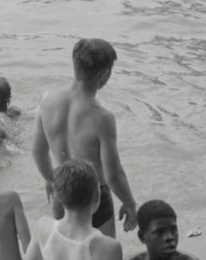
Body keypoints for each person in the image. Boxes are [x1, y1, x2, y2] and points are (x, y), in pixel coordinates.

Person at [31, 38, 138, 237]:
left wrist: (50, 179)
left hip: (63, 194)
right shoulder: (102, 118)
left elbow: (37, 151)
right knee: (101, 258)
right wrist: (130, 203)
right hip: (93, 198)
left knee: (67, 256)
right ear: (104, 75)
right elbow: (113, 174)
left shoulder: (48, 103)